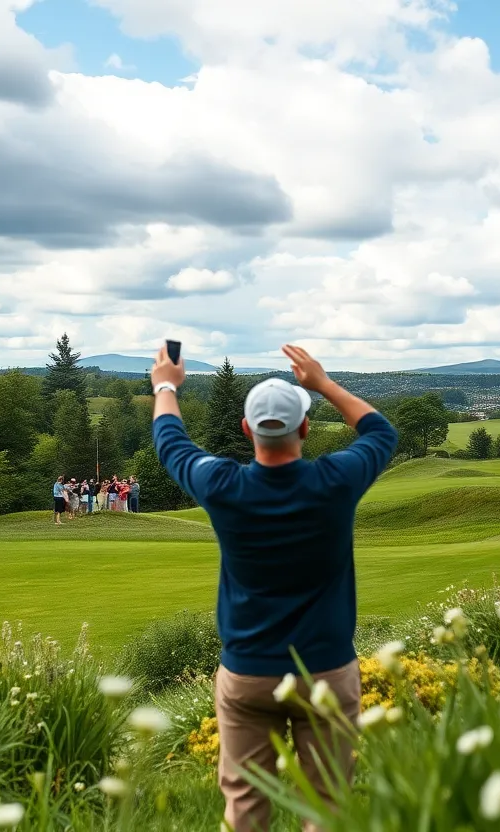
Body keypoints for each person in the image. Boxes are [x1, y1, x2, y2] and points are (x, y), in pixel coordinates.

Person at [150, 342, 398, 832]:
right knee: (327, 807)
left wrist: (166, 385)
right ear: (305, 427)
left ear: (246, 430)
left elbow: (170, 441)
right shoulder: (336, 480)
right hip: (326, 670)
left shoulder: (222, 484)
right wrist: (322, 384)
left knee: (245, 805)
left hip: (248, 672)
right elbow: (379, 431)